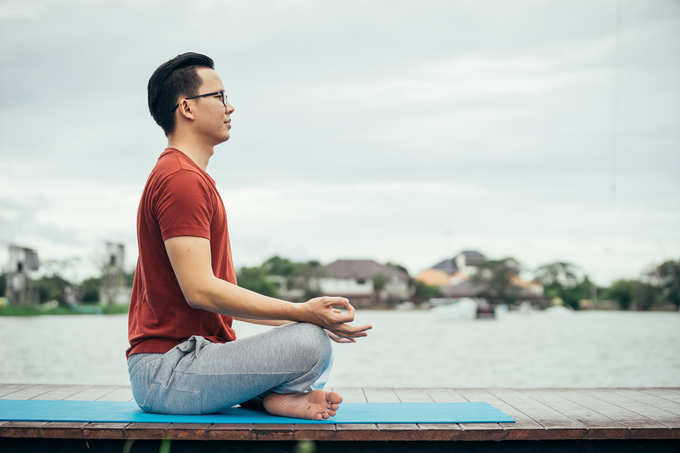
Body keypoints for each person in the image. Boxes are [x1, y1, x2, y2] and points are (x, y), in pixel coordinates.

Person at [126, 52, 372, 420]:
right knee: (310, 345)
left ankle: (269, 398)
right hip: (168, 373)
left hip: (188, 364)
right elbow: (201, 291)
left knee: (307, 335)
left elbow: (216, 300)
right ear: (187, 108)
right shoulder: (181, 180)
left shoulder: (186, 176)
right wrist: (299, 313)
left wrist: (306, 317)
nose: (230, 107)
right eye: (220, 96)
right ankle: (269, 395)